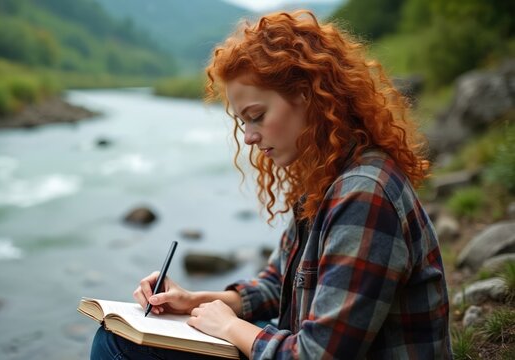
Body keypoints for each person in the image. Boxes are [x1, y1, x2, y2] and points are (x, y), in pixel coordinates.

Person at [91, 10, 452, 359]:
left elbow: (317, 354)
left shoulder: (363, 194)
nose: (248, 137)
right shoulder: (322, 178)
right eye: (242, 121)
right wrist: (194, 300)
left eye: (257, 116)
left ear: (310, 97)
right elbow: (277, 282)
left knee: (117, 346)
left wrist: (231, 327)